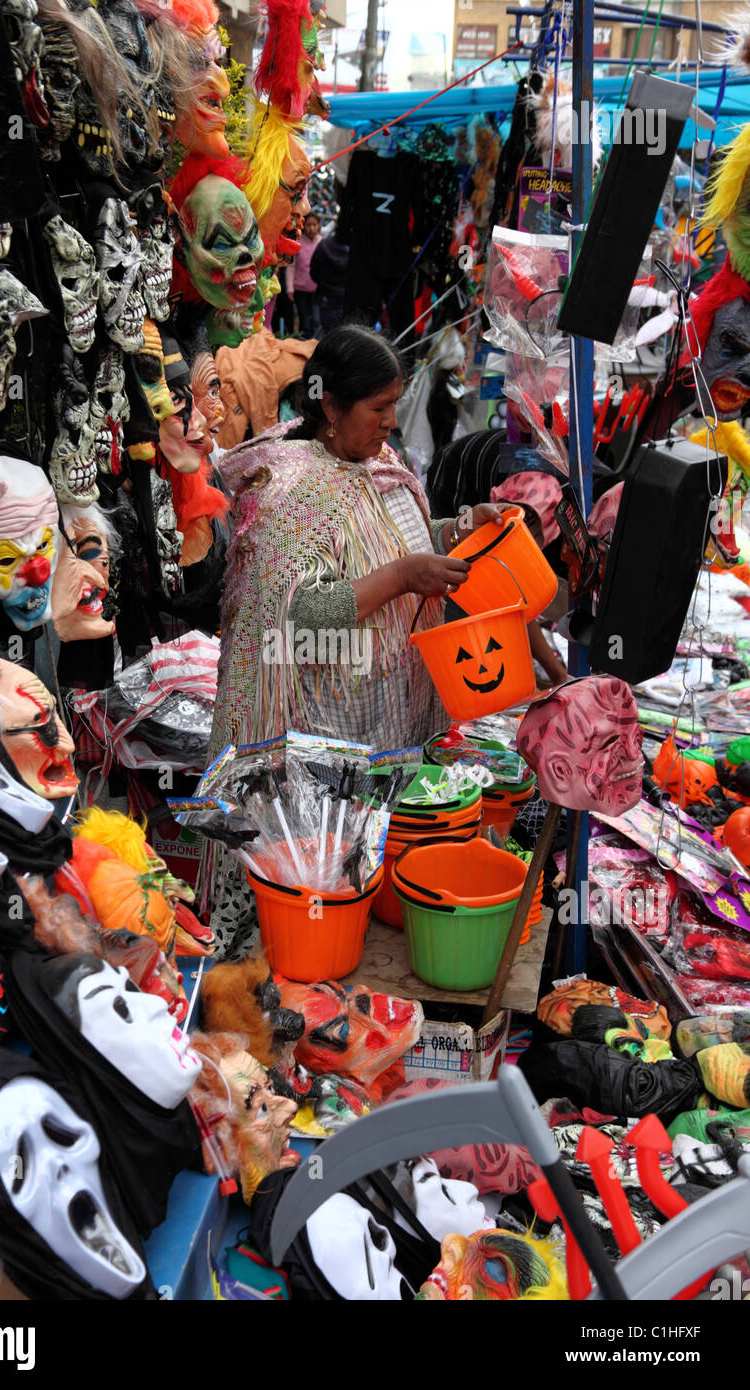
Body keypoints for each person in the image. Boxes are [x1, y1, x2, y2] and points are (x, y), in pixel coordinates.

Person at [205, 324, 511, 957]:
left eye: (396, 405)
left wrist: (458, 530)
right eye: (378, 408)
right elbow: (300, 619)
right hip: (313, 743)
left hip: (379, 726)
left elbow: (404, 541)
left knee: (361, 901)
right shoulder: (292, 493)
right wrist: (402, 579)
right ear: (331, 407)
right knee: (306, 905)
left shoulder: (376, 466)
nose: (392, 423)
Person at [310, 228, 349, 335]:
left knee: (328, 334)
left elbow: (313, 272)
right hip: (344, 300)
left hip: (326, 299)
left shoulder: (323, 245)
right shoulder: (356, 248)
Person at [292, 211, 322, 337]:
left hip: (317, 288)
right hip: (301, 288)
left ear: (319, 226)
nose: (311, 228)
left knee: (316, 319)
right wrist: (289, 288)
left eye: (314, 225)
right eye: (308, 225)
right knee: (304, 320)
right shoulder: (298, 243)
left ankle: (316, 345)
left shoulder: (322, 243)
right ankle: (304, 344)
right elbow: (291, 267)